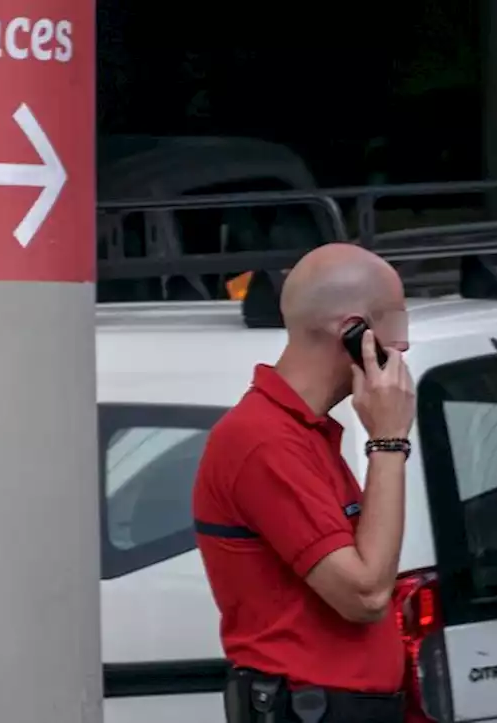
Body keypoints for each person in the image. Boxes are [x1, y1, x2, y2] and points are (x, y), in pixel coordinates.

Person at [193, 243, 416, 723]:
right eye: (395, 325)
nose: (404, 346)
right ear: (352, 330)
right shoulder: (262, 441)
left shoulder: (302, 434)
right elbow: (365, 595)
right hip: (308, 707)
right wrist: (389, 441)